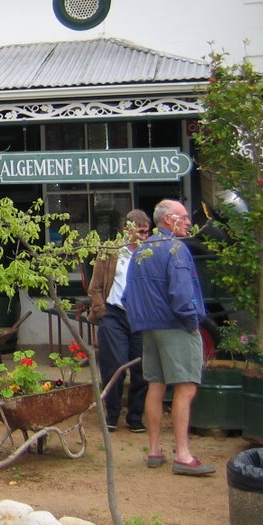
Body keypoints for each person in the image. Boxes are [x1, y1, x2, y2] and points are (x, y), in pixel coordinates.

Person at [123, 199, 214, 476]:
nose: (188, 222)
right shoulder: (176, 249)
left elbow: (128, 295)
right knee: (185, 388)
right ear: (167, 220)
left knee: (155, 385)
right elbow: (182, 293)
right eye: (183, 217)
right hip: (176, 325)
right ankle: (183, 455)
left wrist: (143, 321)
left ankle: (154, 451)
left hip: (149, 328)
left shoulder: (142, 250)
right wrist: (192, 322)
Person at [87, 209, 151, 433]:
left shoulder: (149, 252)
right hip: (114, 314)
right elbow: (94, 287)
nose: (144, 237)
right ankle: (111, 415)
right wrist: (101, 310)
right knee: (114, 365)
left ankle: (135, 417)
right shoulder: (111, 251)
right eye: (140, 232)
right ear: (128, 230)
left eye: (147, 232)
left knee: (142, 367)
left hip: (140, 316)